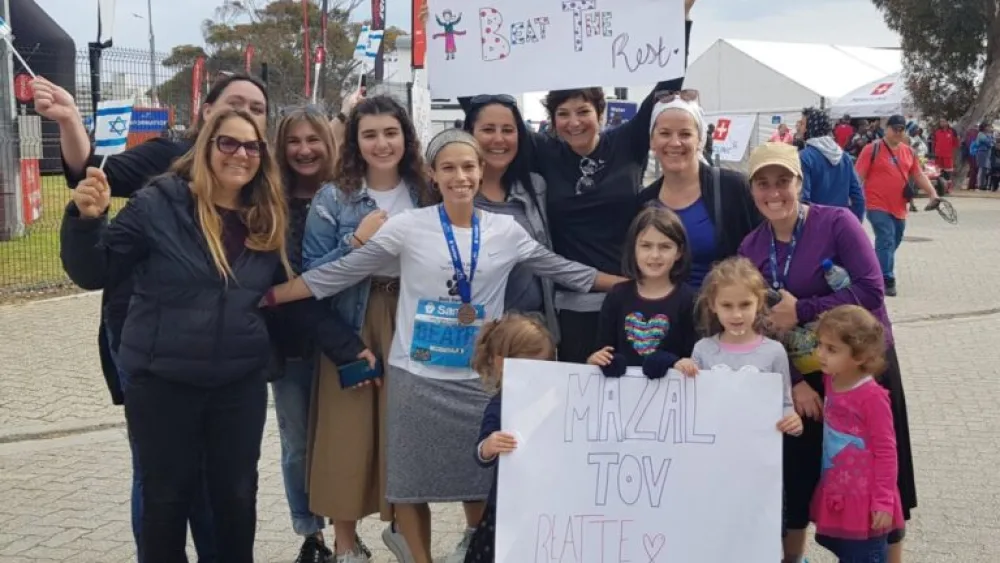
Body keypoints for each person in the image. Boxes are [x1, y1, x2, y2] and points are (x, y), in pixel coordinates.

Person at [265, 129, 624, 563]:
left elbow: (563, 270)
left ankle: (475, 548)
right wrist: (271, 296)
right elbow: (343, 271)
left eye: (469, 167)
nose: (461, 176)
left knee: (477, 479)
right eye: (449, 167)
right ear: (433, 174)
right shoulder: (408, 226)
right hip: (415, 376)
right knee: (412, 484)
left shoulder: (505, 231)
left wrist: (628, 285)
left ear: (481, 171)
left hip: (480, 379)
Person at [49, 72, 268, 560]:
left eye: (251, 147)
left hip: (237, 383)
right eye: (228, 143)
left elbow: (292, 286)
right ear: (207, 141)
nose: (239, 154)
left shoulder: (267, 212)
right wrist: (86, 221)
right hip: (163, 379)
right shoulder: (159, 201)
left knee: (235, 499)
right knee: (165, 501)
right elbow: (95, 269)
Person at [453, 0, 697, 363]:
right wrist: (452, 43)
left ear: (601, 113)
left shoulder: (627, 143)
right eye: (563, 114)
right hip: (572, 306)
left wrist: (679, 17)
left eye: (583, 111)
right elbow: (480, 104)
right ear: (551, 120)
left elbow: (667, 86)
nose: (574, 122)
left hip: (635, 294)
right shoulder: (544, 152)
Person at [739, 142, 917, 563]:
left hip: (863, 369)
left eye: (783, 181)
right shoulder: (751, 247)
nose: (774, 192)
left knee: (881, 468)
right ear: (752, 191)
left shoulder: (836, 222)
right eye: (763, 184)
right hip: (806, 378)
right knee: (800, 474)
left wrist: (802, 309)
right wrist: (796, 383)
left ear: (800, 182)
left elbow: (872, 288)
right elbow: (758, 325)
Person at [301, 95, 438, 563]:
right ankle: (345, 542)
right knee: (348, 430)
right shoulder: (333, 197)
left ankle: (405, 530)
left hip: (414, 316)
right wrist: (355, 241)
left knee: (406, 427)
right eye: (370, 134)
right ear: (356, 141)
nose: (382, 143)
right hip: (354, 317)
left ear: (406, 137)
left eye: (391, 133)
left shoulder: (426, 191)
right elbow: (309, 275)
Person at [270, 106, 373, 562]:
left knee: (342, 438)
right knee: (298, 441)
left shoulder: (349, 196)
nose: (305, 150)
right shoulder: (269, 201)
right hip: (296, 341)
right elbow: (295, 284)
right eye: (294, 141)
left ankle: (344, 529)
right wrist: (353, 244)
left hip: (348, 333)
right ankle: (311, 535)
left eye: (314, 139)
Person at [811, 305, 905, 562]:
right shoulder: (832, 378)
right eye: (820, 344)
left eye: (831, 349)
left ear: (860, 356)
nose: (820, 354)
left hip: (866, 505)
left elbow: (887, 451)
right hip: (840, 491)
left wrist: (883, 501)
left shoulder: (872, 397)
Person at [463, 313, 557, 563]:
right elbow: (480, 452)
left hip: (548, 502)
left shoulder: (556, 395)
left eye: (547, 364)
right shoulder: (500, 405)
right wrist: (489, 446)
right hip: (509, 506)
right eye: (533, 365)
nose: (540, 373)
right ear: (502, 364)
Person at [637, 97, 760, 288]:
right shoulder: (644, 202)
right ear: (652, 141)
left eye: (685, 134)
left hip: (724, 313)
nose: (675, 142)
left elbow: (765, 248)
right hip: (667, 314)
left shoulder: (732, 188)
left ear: (700, 139)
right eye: (665, 133)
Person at [462, 95, 558, 336]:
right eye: (487, 129)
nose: (499, 139)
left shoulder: (536, 187)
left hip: (531, 332)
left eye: (508, 130)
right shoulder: (450, 193)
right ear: (469, 134)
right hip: (472, 331)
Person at [687, 256, 802, 437]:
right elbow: (690, 404)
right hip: (712, 450)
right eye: (727, 305)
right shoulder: (703, 350)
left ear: (759, 302)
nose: (737, 314)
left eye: (745, 304)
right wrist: (682, 370)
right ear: (712, 305)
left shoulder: (774, 352)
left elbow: (785, 405)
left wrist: (793, 422)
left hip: (757, 452)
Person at [588, 207, 697, 378]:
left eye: (665, 247)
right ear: (633, 249)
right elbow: (603, 349)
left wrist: (677, 363)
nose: (655, 255)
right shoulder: (617, 295)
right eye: (646, 246)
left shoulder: (689, 299)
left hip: (673, 397)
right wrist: (596, 359)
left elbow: (693, 356)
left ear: (679, 252)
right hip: (622, 396)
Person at [855, 115, 941, 297]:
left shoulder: (908, 152)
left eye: (902, 129)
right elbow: (858, 176)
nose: (898, 132)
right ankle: (886, 279)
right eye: (895, 128)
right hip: (876, 204)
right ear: (887, 129)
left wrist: (932, 193)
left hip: (900, 206)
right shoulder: (872, 149)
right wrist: (852, 199)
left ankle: (871, 266)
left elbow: (918, 175)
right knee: (886, 238)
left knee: (894, 240)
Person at [797, 108, 865, 221]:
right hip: (840, 222)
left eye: (803, 124)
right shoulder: (844, 157)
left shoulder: (804, 157)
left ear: (812, 126)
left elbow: (804, 198)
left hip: (816, 224)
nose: (800, 128)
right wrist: (855, 224)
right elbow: (858, 196)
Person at [930, 118, 958, 185]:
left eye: (943, 121)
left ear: (947, 122)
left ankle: (948, 186)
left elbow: (955, 144)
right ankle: (939, 186)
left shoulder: (952, 132)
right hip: (938, 156)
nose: (942, 123)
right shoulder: (936, 132)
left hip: (948, 156)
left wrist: (954, 155)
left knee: (948, 172)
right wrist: (933, 153)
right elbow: (934, 144)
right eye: (941, 122)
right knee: (938, 172)